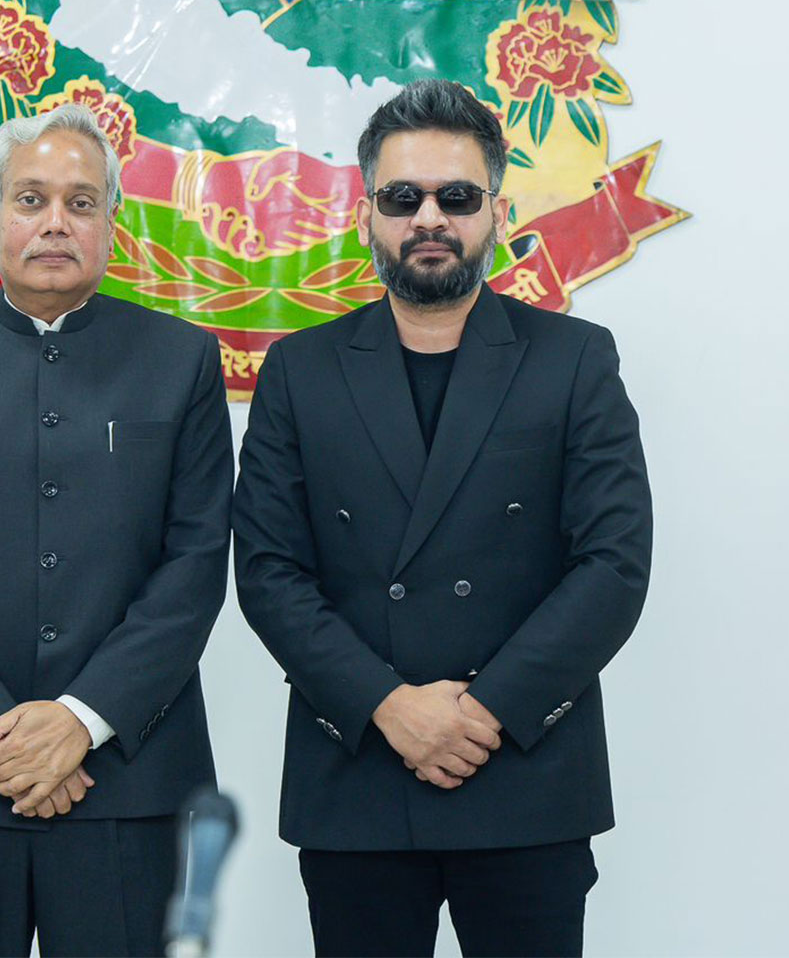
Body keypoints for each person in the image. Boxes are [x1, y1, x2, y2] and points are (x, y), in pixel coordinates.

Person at [233, 79, 652, 957]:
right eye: (403, 197)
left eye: (456, 198)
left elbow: (613, 563)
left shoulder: (574, 360)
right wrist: (388, 705)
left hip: (525, 774)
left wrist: (484, 711)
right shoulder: (300, 372)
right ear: (366, 216)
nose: (431, 217)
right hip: (358, 776)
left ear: (496, 211)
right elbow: (269, 573)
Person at [0, 104, 233, 957]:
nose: (55, 222)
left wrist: (80, 721)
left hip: (127, 776)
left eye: (81, 202)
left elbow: (196, 567)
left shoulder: (182, 361)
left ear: (112, 224)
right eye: (30, 199)